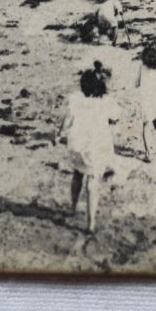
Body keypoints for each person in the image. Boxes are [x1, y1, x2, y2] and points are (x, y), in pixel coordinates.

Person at [59, 64, 121, 234]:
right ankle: (91, 222)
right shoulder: (105, 102)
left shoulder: (76, 99)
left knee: (77, 175)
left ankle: (72, 208)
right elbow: (116, 117)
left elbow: (67, 121)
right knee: (93, 182)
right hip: (96, 147)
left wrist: (59, 134)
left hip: (78, 146)